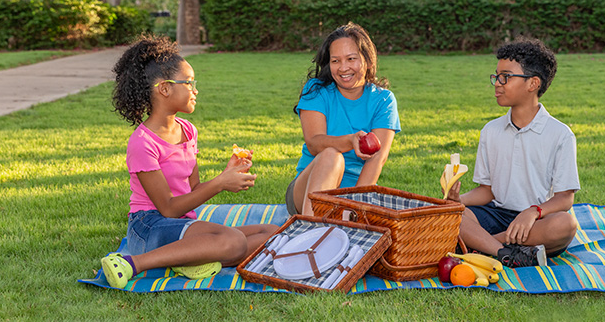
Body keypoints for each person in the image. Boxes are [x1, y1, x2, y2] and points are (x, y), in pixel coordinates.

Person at [100, 35, 278, 289]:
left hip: (182, 224)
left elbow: (193, 190)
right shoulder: (142, 143)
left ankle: (195, 258)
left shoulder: (188, 130)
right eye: (190, 83)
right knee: (235, 242)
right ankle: (133, 263)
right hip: (150, 226)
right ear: (165, 88)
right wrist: (220, 184)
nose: (196, 90)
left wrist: (228, 173)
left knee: (271, 232)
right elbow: (169, 209)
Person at [448, 38, 579, 268]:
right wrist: (458, 200)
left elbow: (565, 198)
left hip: (537, 223)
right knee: (453, 215)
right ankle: (506, 253)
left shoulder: (560, 134)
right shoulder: (491, 130)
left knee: (565, 225)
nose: (497, 83)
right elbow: (486, 192)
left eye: (505, 77)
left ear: (533, 84)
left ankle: (478, 247)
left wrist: (533, 213)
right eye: (496, 77)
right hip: (496, 216)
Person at [287, 22, 400, 216]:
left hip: (357, 193)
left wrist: (353, 208)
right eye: (335, 61)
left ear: (368, 61)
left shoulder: (383, 100)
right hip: (306, 191)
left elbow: (376, 160)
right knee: (331, 156)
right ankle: (309, 231)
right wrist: (350, 140)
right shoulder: (317, 91)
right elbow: (314, 144)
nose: (343, 68)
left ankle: (334, 224)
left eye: (351, 59)